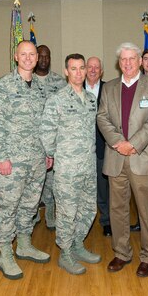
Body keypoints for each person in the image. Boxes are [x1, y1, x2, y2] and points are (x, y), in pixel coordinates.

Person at [97, 42, 148, 278]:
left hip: (142, 157)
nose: (127, 63)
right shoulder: (109, 88)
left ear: (139, 61)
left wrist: (132, 144)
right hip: (116, 157)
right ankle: (122, 253)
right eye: (123, 60)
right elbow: (102, 117)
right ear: (119, 63)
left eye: (131, 59)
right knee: (117, 209)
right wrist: (119, 143)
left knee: (146, 211)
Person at [0, 41, 52, 279]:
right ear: (16, 57)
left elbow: (44, 125)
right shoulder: (3, 86)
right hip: (11, 162)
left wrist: (47, 152)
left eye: (32, 54)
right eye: (23, 54)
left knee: (30, 205)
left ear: (36, 58)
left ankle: (24, 243)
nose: (28, 58)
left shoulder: (39, 89)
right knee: (8, 206)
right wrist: (1, 157)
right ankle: (5, 252)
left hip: (36, 160)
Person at [41, 53, 101, 275]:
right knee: (67, 212)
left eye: (81, 68)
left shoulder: (91, 99)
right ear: (66, 72)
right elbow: (46, 131)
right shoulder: (57, 100)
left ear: (86, 71)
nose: (78, 72)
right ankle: (65, 253)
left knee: (88, 209)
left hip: (88, 165)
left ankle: (77, 244)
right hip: (67, 168)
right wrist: (55, 154)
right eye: (73, 69)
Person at [34, 44, 67, 229]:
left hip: (53, 142)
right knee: (34, 183)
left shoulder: (59, 82)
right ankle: (33, 214)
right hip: (31, 143)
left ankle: (50, 215)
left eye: (47, 56)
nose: (44, 59)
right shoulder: (27, 80)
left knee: (52, 183)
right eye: (41, 56)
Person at [85, 56, 110, 236]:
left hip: (103, 147)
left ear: (101, 71)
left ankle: (106, 220)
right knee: (83, 187)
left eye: (96, 68)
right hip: (81, 150)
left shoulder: (109, 89)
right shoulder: (75, 88)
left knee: (104, 188)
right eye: (90, 67)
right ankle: (82, 224)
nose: (93, 70)